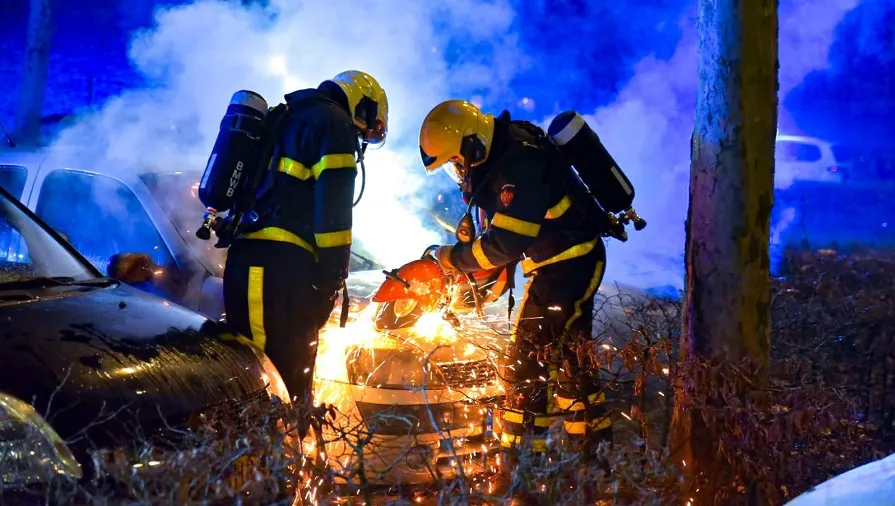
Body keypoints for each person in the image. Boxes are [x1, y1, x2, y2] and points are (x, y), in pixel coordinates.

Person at [418, 100, 613, 479]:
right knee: (573, 365)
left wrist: (447, 258)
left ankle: (520, 472)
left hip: (568, 265)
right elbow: (499, 251)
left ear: (472, 144)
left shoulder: (518, 163)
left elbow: (504, 245)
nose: (458, 172)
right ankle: (596, 465)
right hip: (563, 264)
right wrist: (465, 291)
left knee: (525, 365)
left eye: (457, 162)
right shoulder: (500, 160)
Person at [223, 70, 388, 410]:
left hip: (259, 267)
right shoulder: (334, 125)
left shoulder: (291, 116)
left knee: (281, 381)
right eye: (369, 126)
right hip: (272, 272)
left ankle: (280, 457)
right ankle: (267, 460)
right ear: (364, 108)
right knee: (271, 385)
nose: (363, 136)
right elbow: (333, 221)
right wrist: (332, 278)